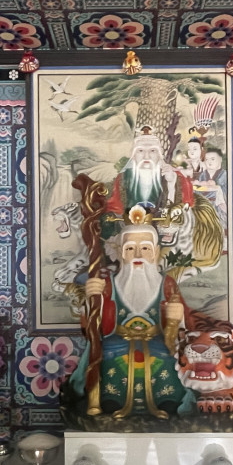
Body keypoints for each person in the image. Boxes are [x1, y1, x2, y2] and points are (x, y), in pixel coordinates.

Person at [69, 208, 188, 418]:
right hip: (117, 343)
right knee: (108, 358)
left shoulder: (167, 284)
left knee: (167, 361)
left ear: (156, 252)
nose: (138, 255)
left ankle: (166, 400)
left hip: (157, 343)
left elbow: (180, 331)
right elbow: (94, 328)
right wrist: (92, 300)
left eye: (145, 248)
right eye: (130, 248)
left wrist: (175, 319)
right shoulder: (107, 285)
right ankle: (111, 400)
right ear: (120, 253)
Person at [105, 127, 194, 228]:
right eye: (140, 151)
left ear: (159, 155)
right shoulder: (123, 177)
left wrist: (171, 183)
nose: (146, 156)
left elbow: (180, 209)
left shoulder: (171, 175)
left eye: (152, 151)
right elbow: (115, 208)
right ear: (133, 156)